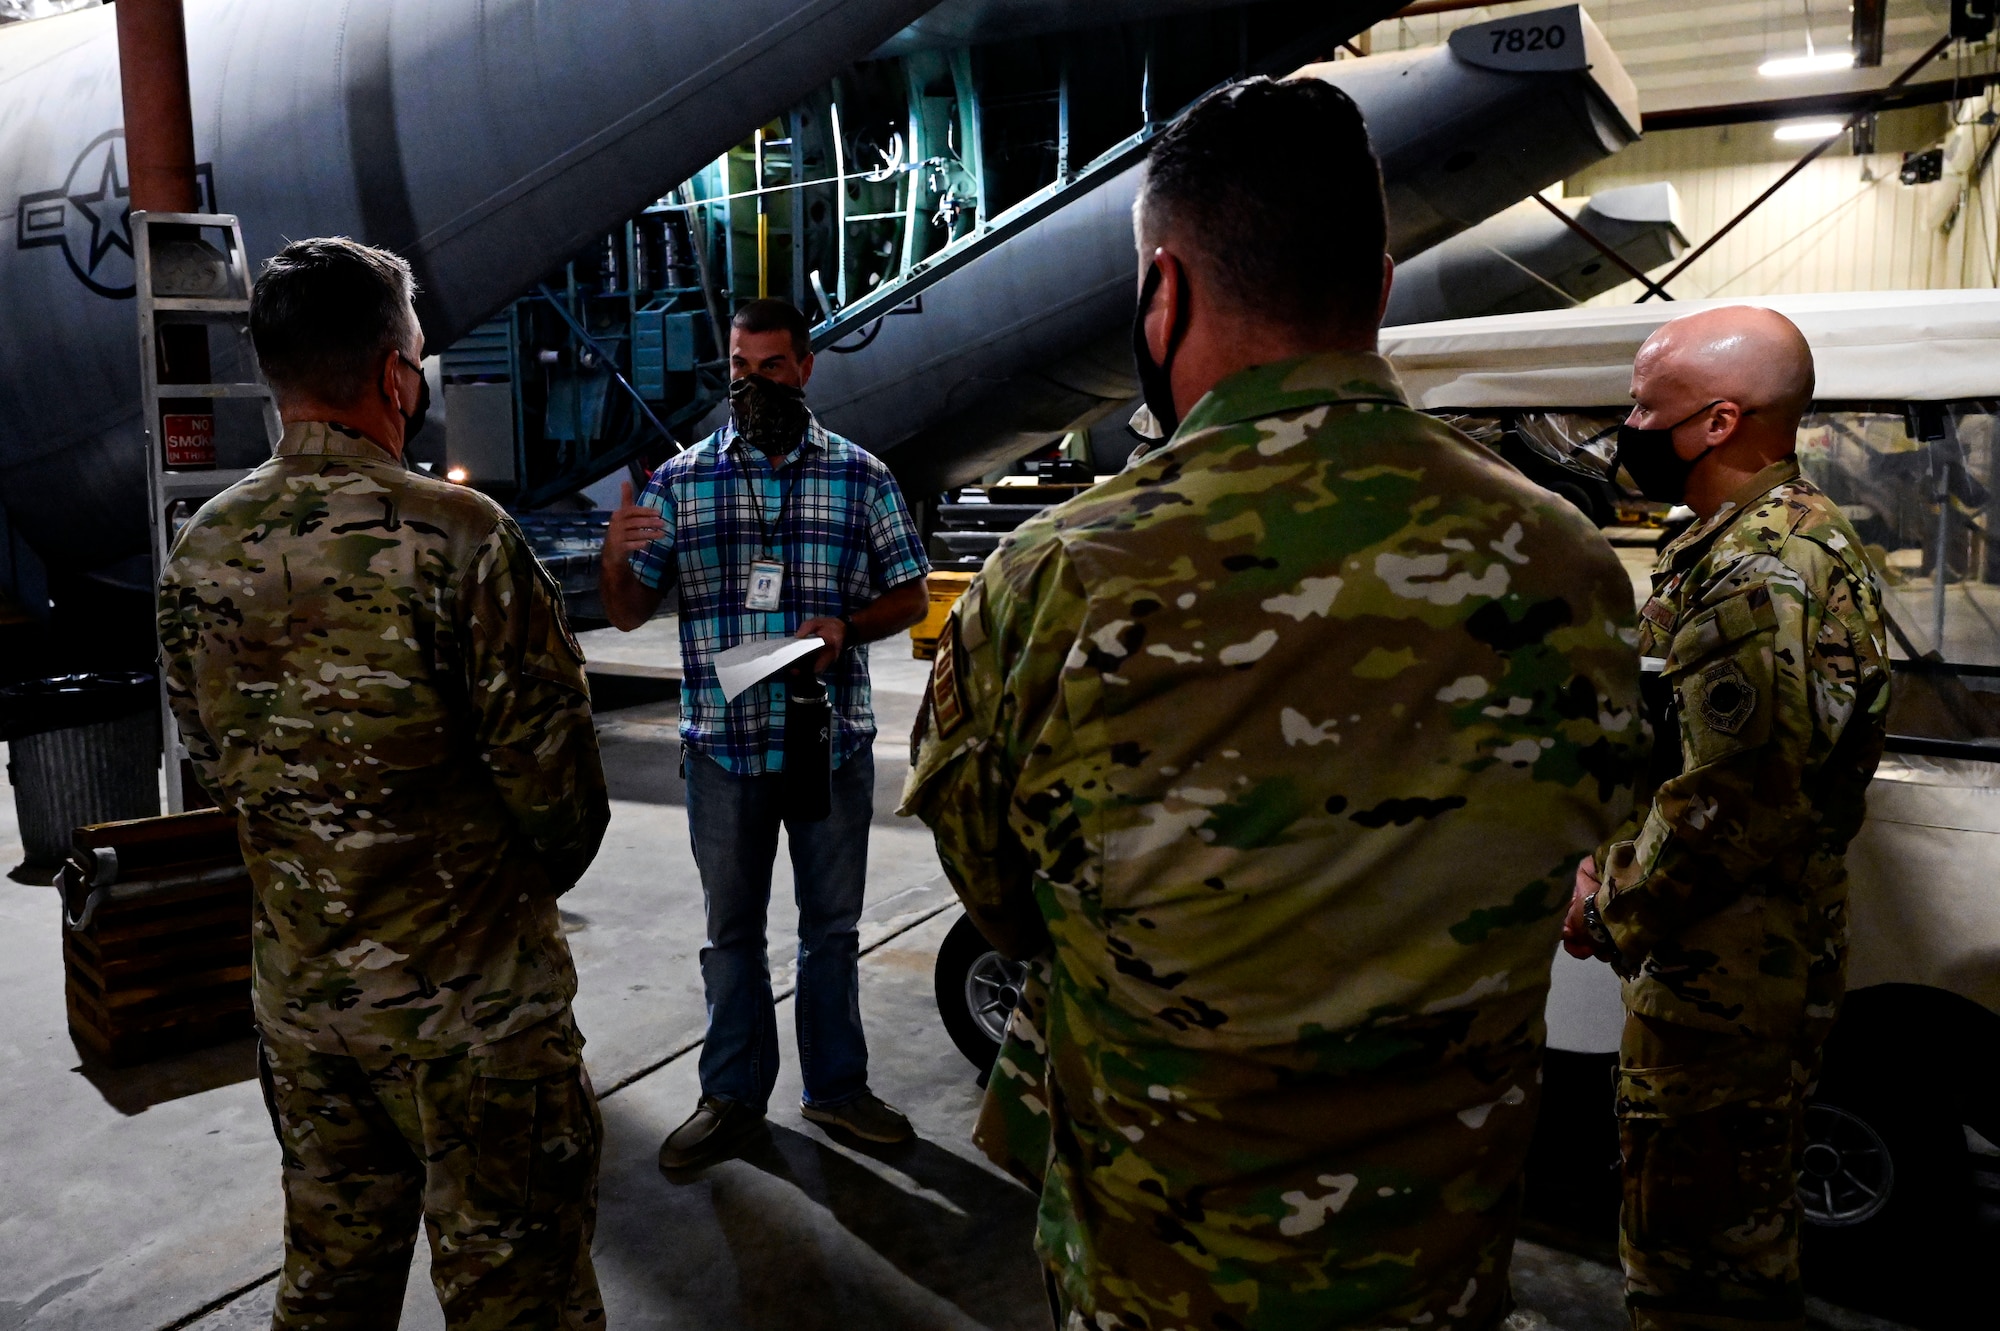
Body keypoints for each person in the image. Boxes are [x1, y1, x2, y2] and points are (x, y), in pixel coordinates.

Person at [902, 77, 1646, 1330]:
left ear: (1163, 292)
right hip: (1436, 1251)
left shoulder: (1064, 578)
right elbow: (1579, 827)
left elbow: (1001, 897)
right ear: (1381, 282)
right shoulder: (1566, 564)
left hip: (1165, 1261)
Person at [157, 237, 609, 1329]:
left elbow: (215, 772)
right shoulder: (460, 538)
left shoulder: (203, 549)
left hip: (308, 1012)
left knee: (331, 1286)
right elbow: (561, 803)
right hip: (474, 1018)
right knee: (518, 1294)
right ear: (397, 375)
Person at [1563, 306, 1890, 1331]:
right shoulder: (1789, 532)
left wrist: (1607, 900)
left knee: (1692, 1261)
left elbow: (1729, 803)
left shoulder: (1755, 574)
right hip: (1757, 954)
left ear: (1714, 423)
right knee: (1736, 1228)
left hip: (1724, 970)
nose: (1623, 426)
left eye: (1639, 407)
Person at [598, 298, 932, 1169]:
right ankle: (733, 1097)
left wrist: (847, 629)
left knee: (832, 927)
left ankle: (836, 1090)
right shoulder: (680, 483)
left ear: (807, 366)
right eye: (740, 368)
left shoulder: (862, 477)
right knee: (731, 932)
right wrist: (612, 557)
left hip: (831, 745)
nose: (752, 384)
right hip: (724, 748)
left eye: (771, 366)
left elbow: (912, 594)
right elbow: (628, 613)